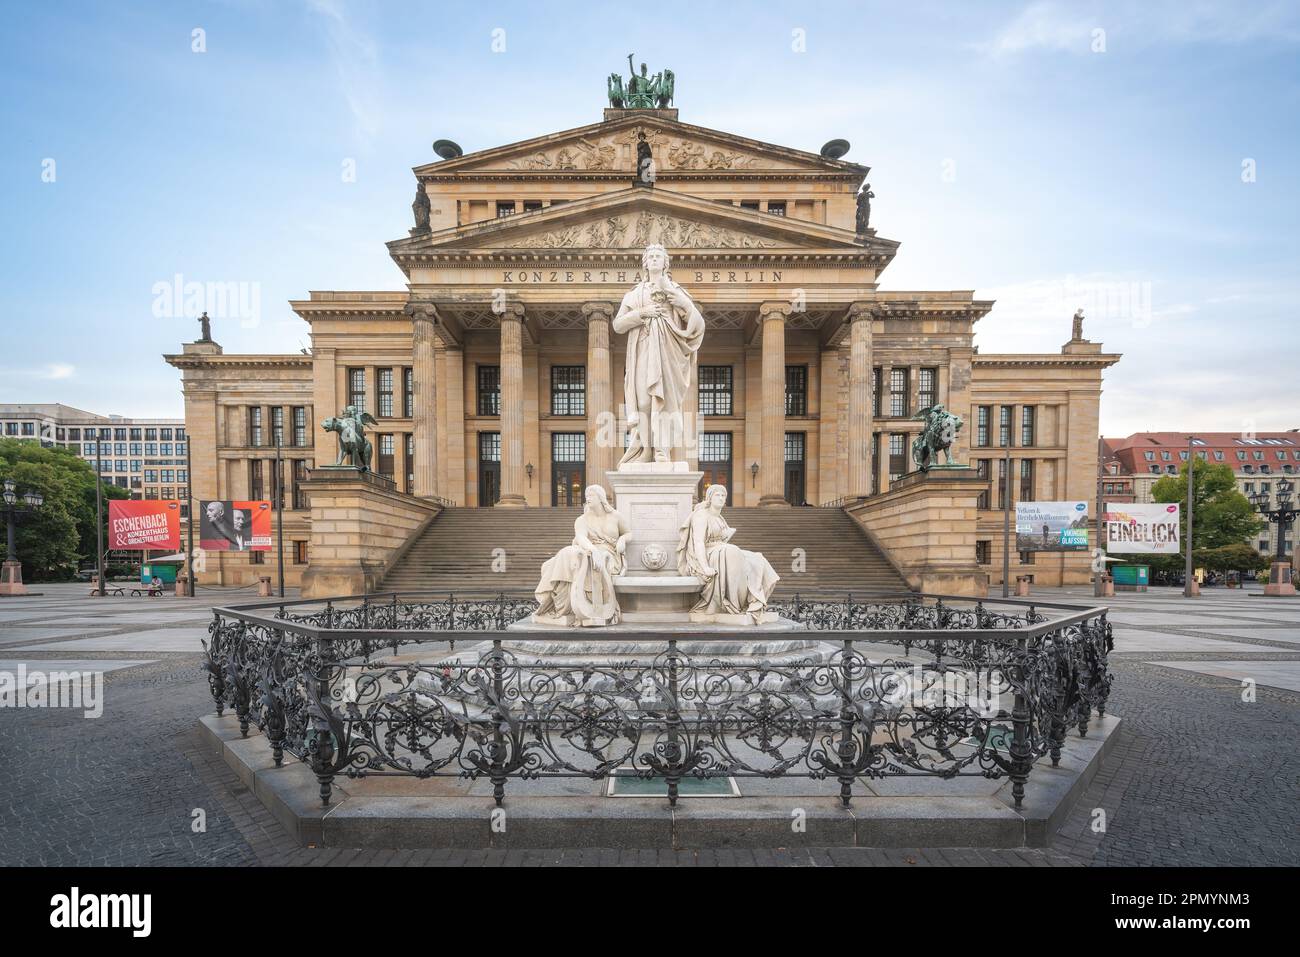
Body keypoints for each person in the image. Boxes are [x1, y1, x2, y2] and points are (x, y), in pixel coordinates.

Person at [612, 244, 704, 465]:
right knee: (644, 401)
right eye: (650, 256)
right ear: (645, 262)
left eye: (658, 256)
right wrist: (641, 313)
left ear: (665, 263)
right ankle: (645, 449)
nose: (654, 259)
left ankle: (662, 450)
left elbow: (697, 323)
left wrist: (684, 305)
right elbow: (618, 325)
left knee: (665, 403)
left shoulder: (676, 290)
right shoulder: (634, 294)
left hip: (668, 353)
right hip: (643, 349)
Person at [677, 484, 779, 622]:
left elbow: (721, 539)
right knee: (732, 551)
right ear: (709, 498)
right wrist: (705, 567)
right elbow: (699, 543)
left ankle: (753, 602)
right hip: (706, 554)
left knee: (757, 558)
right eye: (717, 495)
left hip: (721, 549)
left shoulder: (719, 518)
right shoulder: (701, 515)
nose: (720, 498)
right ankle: (733, 603)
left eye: (723, 495)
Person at [534, 485, 632, 626]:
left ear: (601, 498)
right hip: (589, 549)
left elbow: (629, 533)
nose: (588, 498)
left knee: (581, 558)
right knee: (565, 555)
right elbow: (581, 538)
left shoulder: (616, 516)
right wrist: (593, 550)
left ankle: (589, 607)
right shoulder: (582, 519)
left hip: (609, 554)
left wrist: (622, 539)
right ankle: (563, 606)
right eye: (587, 495)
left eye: (591, 495)